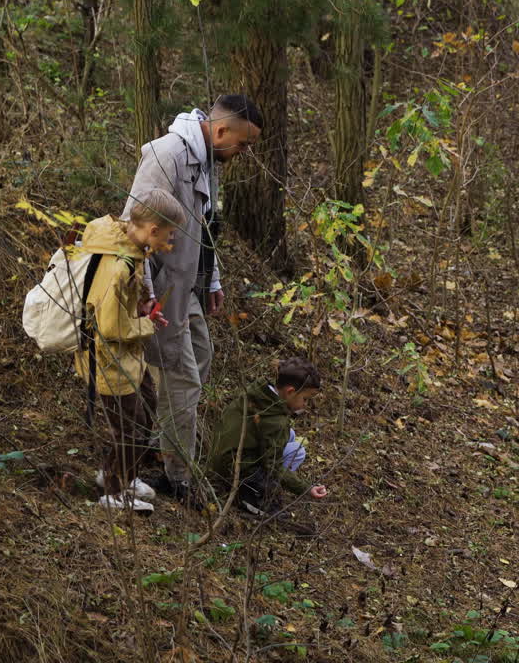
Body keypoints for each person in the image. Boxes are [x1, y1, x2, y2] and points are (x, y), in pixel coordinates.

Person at [124, 95, 263, 507]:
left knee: (200, 355)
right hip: (162, 294)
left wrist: (213, 279)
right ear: (220, 132)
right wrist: (146, 296)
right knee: (182, 378)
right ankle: (176, 475)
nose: (243, 154)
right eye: (242, 145)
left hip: (191, 288)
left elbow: (205, 227)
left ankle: (159, 436)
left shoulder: (206, 157)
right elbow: (133, 228)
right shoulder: (167, 156)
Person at [73, 190, 185, 513]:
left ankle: (122, 474)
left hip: (128, 358)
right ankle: (113, 491)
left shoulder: (131, 248)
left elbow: (123, 303)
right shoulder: (118, 265)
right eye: (170, 233)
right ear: (153, 230)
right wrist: (147, 327)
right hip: (109, 362)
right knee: (128, 427)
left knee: (147, 407)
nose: (172, 239)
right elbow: (110, 327)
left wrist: (144, 306)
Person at [206, 357, 329, 516]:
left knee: (290, 435)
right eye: (305, 399)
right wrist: (306, 488)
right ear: (290, 391)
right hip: (236, 470)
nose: (305, 405)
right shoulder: (275, 422)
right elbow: (274, 466)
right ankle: (256, 494)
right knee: (298, 451)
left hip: (220, 455)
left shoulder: (258, 391)